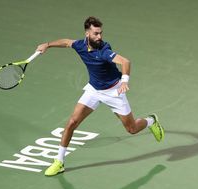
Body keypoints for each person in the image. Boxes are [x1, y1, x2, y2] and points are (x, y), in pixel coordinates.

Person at [36, 16, 164, 176]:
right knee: (71, 123)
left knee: (132, 129)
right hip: (93, 91)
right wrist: (47, 45)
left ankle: (151, 120)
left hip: (114, 92)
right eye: (96, 33)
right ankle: (59, 161)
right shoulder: (80, 45)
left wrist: (124, 80)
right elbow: (67, 42)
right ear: (87, 33)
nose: (99, 37)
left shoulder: (104, 50)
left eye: (100, 33)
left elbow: (125, 62)